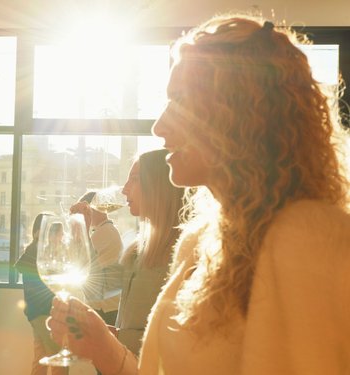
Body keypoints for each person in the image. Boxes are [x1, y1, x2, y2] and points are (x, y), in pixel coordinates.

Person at [48, 14, 350, 374]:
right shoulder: (200, 241)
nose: (160, 126)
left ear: (238, 113)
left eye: (180, 100)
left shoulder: (310, 235)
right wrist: (101, 346)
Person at [115, 149, 184, 356]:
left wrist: (116, 338)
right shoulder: (137, 250)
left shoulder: (182, 255)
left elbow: (177, 339)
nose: (124, 190)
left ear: (159, 187)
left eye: (134, 180)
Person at [14, 213, 67, 375]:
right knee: (58, 358)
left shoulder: (44, 252)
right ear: (39, 232)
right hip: (42, 311)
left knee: (41, 357)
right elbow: (21, 267)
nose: (60, 237)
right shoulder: (36, 251)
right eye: (54, 233)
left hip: (39, 311)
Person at [71, 191, 123, 326]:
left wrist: (79, 230)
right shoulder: (105, 230)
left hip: (104, 308)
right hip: (104, 305)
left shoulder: (104, 232)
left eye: (84, 211)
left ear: (92, 209)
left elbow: (81, 264)